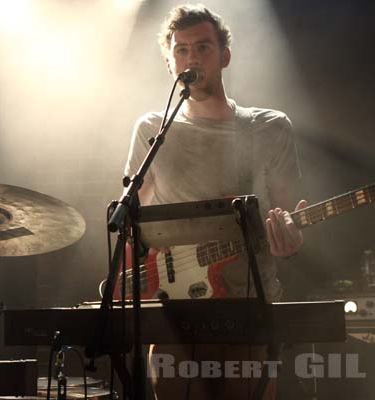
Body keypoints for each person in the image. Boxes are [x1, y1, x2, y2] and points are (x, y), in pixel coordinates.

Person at [124, 4, 307, 399]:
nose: (192, 58)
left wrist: (290, 240)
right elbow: (129, 220)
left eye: (203, 47)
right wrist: (126, 285)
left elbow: (288, 214)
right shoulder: (151, 130)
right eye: (182, 50)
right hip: (175, 314)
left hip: (249, 309)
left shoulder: (270, 126)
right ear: (169, 63)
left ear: (224, 56)